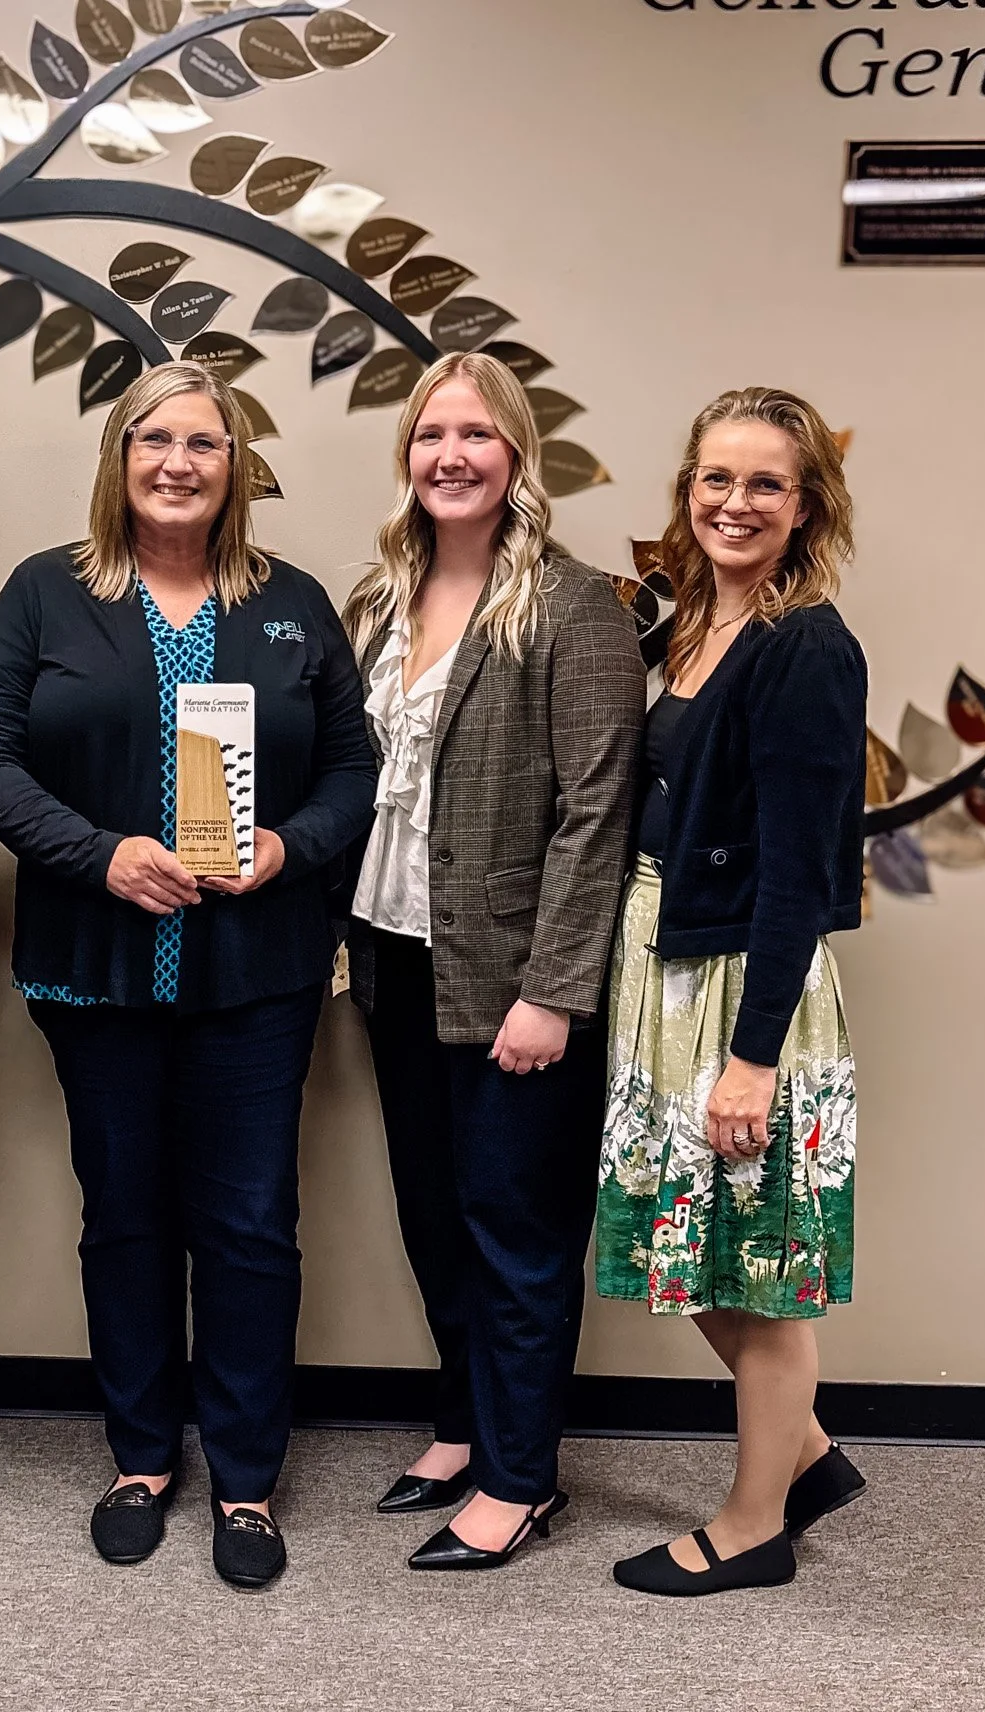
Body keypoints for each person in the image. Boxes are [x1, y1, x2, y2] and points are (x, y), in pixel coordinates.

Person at [0, 363, 376, 1590]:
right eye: (154, 439)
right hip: (96, 966)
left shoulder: (291, 603)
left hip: (259, 969)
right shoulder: (46, 593)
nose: (178, 461)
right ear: (118, 456)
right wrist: (98, 856)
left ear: (234, 464)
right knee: (126, 1215)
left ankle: (243, 1480)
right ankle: (141, 1456)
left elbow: (355, 772)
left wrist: (287, 846)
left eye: (204, 441)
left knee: (250, 1223)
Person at [341, 353, 642, 1572]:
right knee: (431, 1214)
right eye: (428, 435)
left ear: (515, 455)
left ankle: (523, 1476)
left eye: (474, 434)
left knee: (514, 1224)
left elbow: (595, 812)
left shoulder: (571, 607)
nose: (448, 455)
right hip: (391, 954)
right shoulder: (377, 600)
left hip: (512, 976)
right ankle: (467, 1424)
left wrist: (554, 990)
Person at [597, 386, 868, 1596]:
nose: (734, 501)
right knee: (682, 1243)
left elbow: (801, 873)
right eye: (715, 477)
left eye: (764, 482)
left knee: (751, 1263)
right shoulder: (692, 618)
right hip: (667, 966)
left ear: (805, 504)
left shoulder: (805, 644)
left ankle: (754, 1523)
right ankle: (802, 1449)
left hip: (740, 983)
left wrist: (752, 1057)